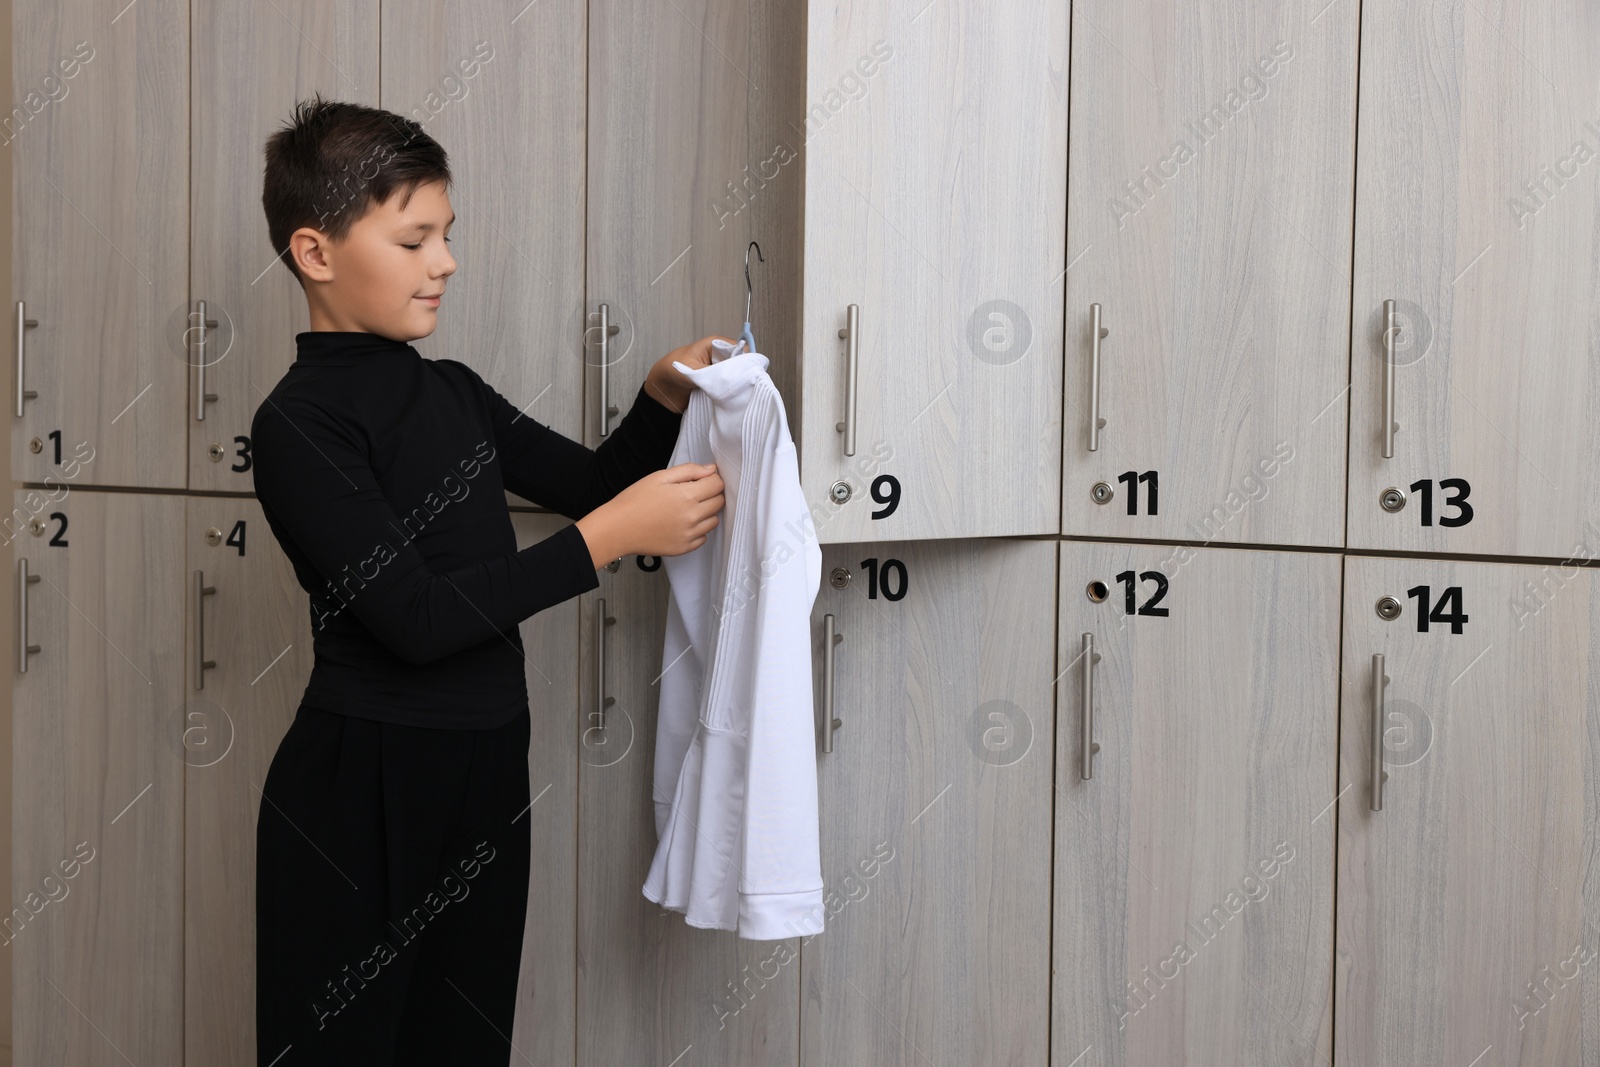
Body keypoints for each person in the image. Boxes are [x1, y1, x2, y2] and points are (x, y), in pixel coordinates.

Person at [250, 92, 726, 1065]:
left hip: (482, 767)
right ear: (316, 252)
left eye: (447, 235)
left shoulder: (453, 391)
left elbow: (595, 483)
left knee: (463, 1046)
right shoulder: (299, 424)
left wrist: (659, 393)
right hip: (358, 790)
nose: (446, 263)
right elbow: (415, 618)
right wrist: (603, 539)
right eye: (415, 238)